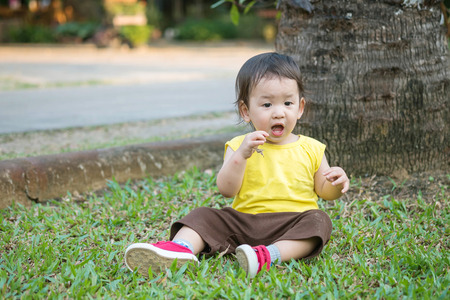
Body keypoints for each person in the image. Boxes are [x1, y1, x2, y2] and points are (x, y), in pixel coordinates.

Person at [124, 52, 350, 278]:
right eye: (267, 104)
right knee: (204, 215)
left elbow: (324, 191)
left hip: (292, 223)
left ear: (300, 108)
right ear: (246, 111)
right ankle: (180, 249)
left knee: (319, 221)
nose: (279, 112)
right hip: (244, 222)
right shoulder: (238, 146)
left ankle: (268, 255)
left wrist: (336, 182)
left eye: (288, 103)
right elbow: (226, 189)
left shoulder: (312, 147)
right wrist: (242, 155)